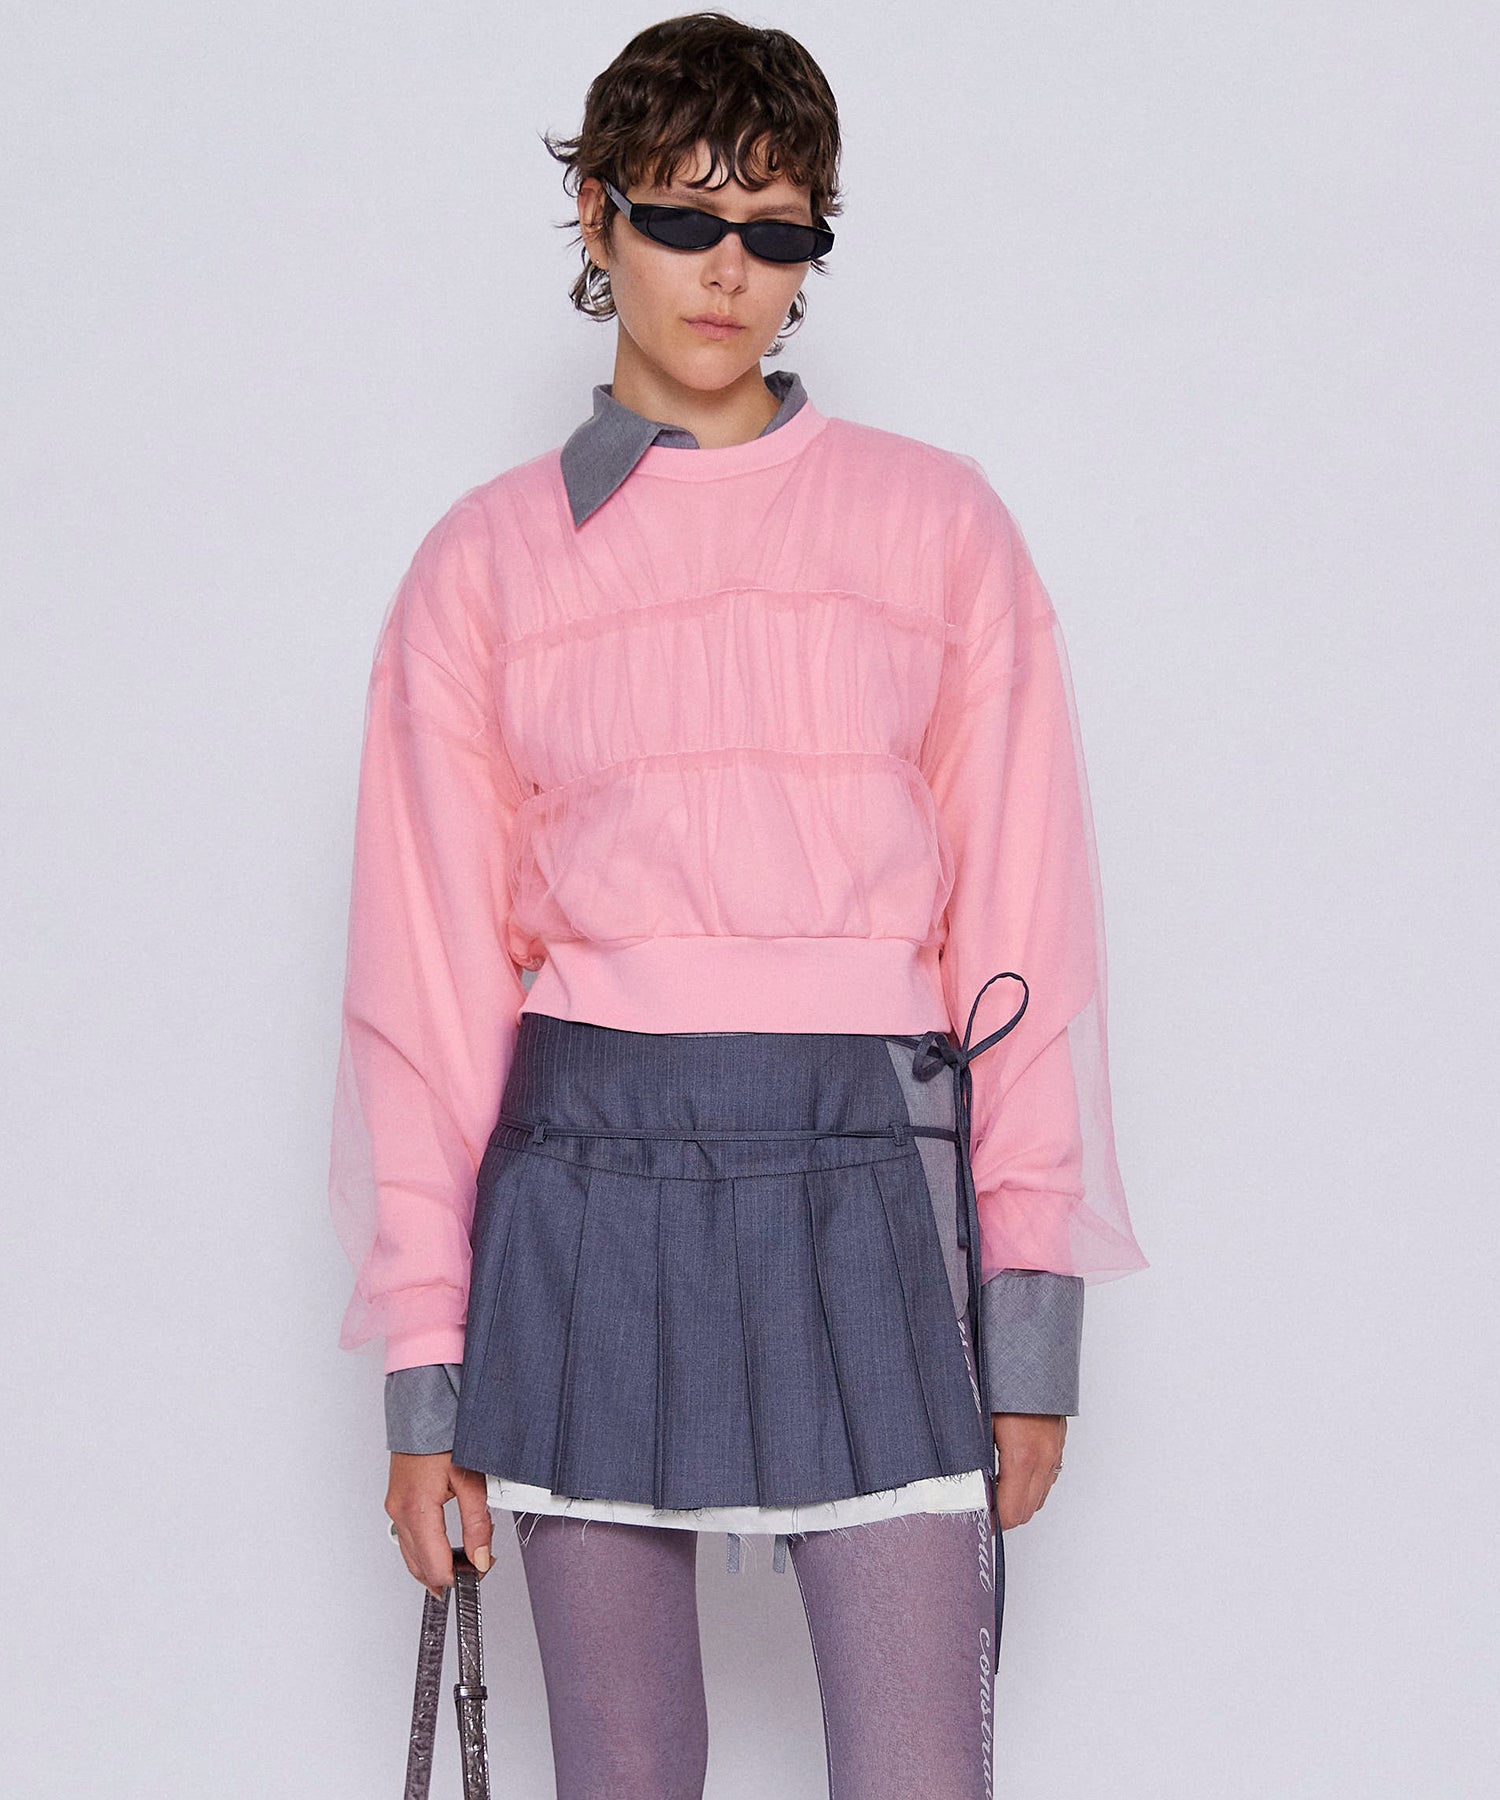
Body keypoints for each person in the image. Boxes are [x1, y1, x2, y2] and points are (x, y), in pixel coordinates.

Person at [327, 13, 1149, 1798]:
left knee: (921, 1769)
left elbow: (1023, 937)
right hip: (584, 1185)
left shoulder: (937, 527)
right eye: (685, 220)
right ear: (597, 222)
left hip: (869, 1175)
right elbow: (425, 994)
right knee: (622, 1775)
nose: (729, 272)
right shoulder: (485, 563)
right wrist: (425, 1369)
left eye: (777, 233)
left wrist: (1031, 1319)